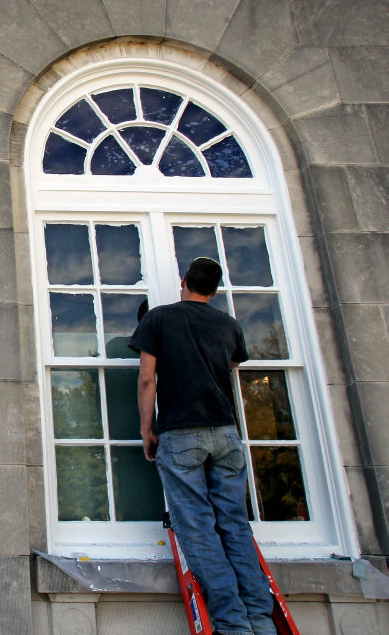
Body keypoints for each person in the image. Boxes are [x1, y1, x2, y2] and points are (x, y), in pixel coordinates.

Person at [130, 257, 274, 635]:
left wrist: (148, 430)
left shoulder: (157, 319)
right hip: (226, 433)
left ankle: (232, 623)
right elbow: (230, 369)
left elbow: (147, 380)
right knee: (234, 525)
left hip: (181, 434)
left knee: (197, 528)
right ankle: (260, 616)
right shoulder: (229, 325)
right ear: (214, 290)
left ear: (183, 281)